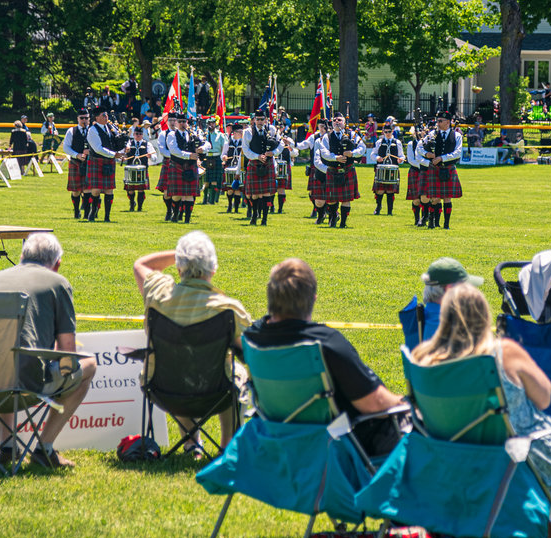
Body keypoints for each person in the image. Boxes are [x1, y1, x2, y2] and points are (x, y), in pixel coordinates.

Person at [412, 284, 551, 538]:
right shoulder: (501, 351)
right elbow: (545, 398)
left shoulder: (423, 359)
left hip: (455, 462)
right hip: (514, 459)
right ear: (484, 316)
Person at [244, 258, 408, 456]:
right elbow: (375, 404)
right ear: (313, 299)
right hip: (332, 445)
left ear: (270, 296)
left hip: (277, 438)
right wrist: (407, 404)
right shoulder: (326, 343)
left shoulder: (252, 338)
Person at [0, 233, 97, 468]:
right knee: (89, 365)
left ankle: (8, 446)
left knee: (5, 359)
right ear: (57, 264)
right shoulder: (58, 283)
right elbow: (67, 352)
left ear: (22, 255)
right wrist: (63, 378)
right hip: (28, 384)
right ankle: (44, 449)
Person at [133, 231, 253, 458]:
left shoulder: (158, 293)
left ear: (178, 269)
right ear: (213, 270)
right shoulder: (227, 309)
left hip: (162, 389)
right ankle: (227, 448)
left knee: (178, 367)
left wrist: (181, 255)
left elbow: (141, 264)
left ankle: (190, 444)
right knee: (237, 375)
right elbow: (250, 354)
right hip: (215, 392)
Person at [418, 110, 463, 230]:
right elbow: (419, 147)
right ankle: (432, 222)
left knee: (447, 197)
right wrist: (426, 154)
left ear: (447, 122)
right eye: (437, 120)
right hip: (435, 169)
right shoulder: (432, 134)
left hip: (448, 168)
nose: (437, 123)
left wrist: (442, 158)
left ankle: (446, 224)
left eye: (440, 121)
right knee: (435, 197)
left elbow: (457, 153)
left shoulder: (457, 135)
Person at [320, 113, 365, 228]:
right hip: (333, 169)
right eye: (334, 120)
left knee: (346, 199)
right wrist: (336, 157)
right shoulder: (327, 137)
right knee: (331, 200)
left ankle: (343, 223)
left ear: (344, 123)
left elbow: (362, 148)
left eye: (339, 120)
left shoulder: (352, 135)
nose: (336, 121)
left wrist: (352, 153)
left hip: (347, 170)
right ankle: (333, 218)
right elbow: (324, 153)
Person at [241, 109, 282, 226]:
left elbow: (281, 144)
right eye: (257, 119)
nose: (259, 122)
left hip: (268, 164)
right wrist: (257, 156)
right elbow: (245, 149)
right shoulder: (248, 132)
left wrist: (273, 153)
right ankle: (254, 216)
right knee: (254, 195)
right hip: (254, 163)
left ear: (265, 120)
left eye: (261, 119)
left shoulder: (272, 130)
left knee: (266, 194)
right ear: (253, 120)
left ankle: (264, 219)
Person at [166, 113, 210, 224]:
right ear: (176, 123)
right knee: (176, 195)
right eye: (180, 122)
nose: (182, 124)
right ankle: (175, 215)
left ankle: (187, 219)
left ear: (187, 122)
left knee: (190, 194)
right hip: (177, 165)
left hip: (190, 166)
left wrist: (202, 148)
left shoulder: (193, 134)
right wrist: (189, 155)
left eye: (184, 122)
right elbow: (173, 150)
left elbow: (207, 144)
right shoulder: (172, 135)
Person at [85, 106, 125, 222]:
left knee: (109, 190)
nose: (106, 116)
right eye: (103, 115)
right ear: (97, 117)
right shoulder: (92, 130)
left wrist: (124, 147)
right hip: (97, 160)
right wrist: (114, 154)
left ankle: (107, 216)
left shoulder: (111, 127)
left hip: (109, 161)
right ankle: (93, 213)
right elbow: (98, 148)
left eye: (106, 114)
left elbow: (118, 140)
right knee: (96, 190)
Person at [296, 120, 330, 220]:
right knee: (312, 192)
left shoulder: (330, 137)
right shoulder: (314, 137)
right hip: (315, 167)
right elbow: (303, 145)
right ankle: (317, 209)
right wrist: (293, 144)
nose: (322, 129)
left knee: (328, 191)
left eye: (324, 126)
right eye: (320, 126)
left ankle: (326, 210)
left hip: (328, 167)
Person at [62, 108, 91, 219]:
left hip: (90, 163)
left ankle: (87, 214)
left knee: (88, 189)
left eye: (86, 118)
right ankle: (76, 211)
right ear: (78, 119)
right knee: (76, 191)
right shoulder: (71, 131)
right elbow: (66, 147)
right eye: (82, 118)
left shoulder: (93, 130)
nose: (84, 120)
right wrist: (77, 155)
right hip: (76, 162)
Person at [369, 124, 404, 215]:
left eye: (389, 132)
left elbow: (401, 155)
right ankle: (378, 207)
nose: (387, 133)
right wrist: (377, 158)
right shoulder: (379, 142)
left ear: (392, 131)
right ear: (383, 132)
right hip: (381, 168)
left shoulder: (397, 142)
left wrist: (400, 159)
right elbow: (372, 155)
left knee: (390, 190)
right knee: (379, 191)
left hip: (393, 169)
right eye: (386, 132)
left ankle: (390, 211)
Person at [122, 126, 153, 212]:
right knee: (130, 189)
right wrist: (125, 153)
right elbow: (123, 152)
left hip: (142, 169)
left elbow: (154, 156)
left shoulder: (147, 144)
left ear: (142, 135)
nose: (138, 135)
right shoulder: (129, 143)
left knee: (141, 189)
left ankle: (140, 207)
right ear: (133, 134)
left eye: (140, 134)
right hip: (131, 168)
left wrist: (150, 156)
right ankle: (132, 203)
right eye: (136, 134)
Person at [220, 122, 246, 214]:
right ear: (234, 133)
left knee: (238, 189)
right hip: (230, 166)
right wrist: (224, 157)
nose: (241, 133)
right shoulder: (228, 142)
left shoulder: (244, 143)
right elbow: (223, 154)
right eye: (240, 132)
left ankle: (236, 208)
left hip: (239, 168)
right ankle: (230, 205)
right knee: (230, 189)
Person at [202, 121, 227, 206]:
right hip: (206, 157)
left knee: (214, 180)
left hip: (216, 158)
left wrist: (223, 158)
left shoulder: (220, 135)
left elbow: (224, 146)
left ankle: (212, 200)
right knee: (205, 179)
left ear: (215, 124)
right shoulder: (204, 135)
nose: (210, 125)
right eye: (209, 123)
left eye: (212, 123)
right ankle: (205, 199)